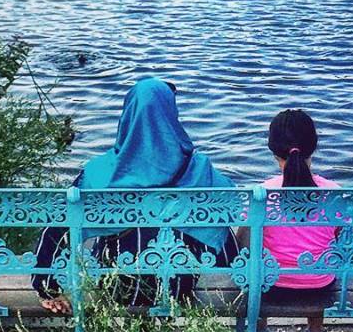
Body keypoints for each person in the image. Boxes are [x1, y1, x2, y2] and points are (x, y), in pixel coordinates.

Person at [32, 77, 238, 312]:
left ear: (127, 115)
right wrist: (238, 278)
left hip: (118, 285)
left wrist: (46, 288)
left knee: (108, 236)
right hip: (177, 286)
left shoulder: (99, 172)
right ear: (172, 115)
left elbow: (58, 226)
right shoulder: (200, 170)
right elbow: (222, 231)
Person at [239, 108, 340, 332]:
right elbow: (338, 235)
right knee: (319, 261)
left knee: (255, 267)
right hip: (319, 286)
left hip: (271, 285)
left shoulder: (262, 193)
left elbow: (244, 242)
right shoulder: (332, 190)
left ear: (274, 151)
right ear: (313, 147)